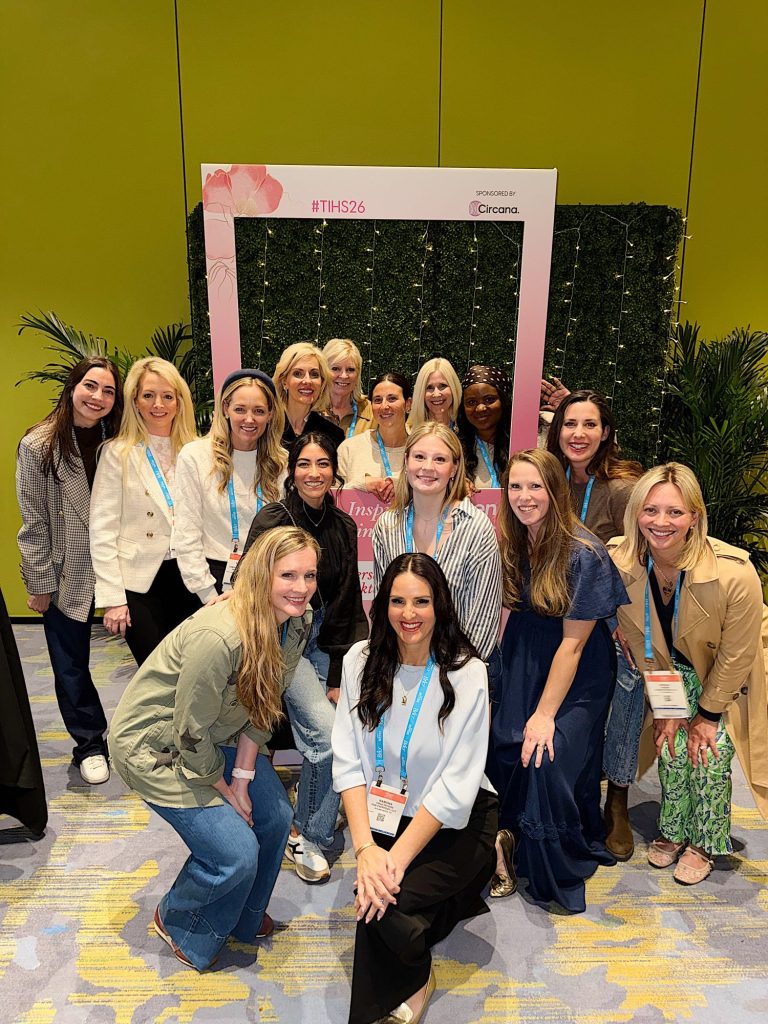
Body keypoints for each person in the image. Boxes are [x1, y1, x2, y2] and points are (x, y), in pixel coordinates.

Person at [110, 526, 318, 971]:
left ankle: (242, 916)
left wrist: (243, 780)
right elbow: (188, 731)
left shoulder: (297, 620)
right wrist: (224, 788)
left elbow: (266, 701)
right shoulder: (221, 635)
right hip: (158, 746)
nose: (301, 589)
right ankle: (180, 917)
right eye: (288, 576)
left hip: (217, 732)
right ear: (261, 575)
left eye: (309, 576)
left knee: (276, 815)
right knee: (235, 852)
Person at [332, 553, 497, 1024]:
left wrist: (391, 862)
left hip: (456, 818)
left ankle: (397, 993)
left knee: (379, 901)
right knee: (381, 899)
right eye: (398, 601)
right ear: (383, 604)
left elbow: (455, 789)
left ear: (440, 605)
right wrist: (365, 850)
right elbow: (347, 761)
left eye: (422, 601)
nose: (410, 614)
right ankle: (436, 934)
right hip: (387, 813)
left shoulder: (468, 673)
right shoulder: (357, 661)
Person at [607, 463, 768, 885]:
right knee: (672, 750)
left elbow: (737, 653)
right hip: (667, 674)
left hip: (727, 678)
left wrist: (708, 716)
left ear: (695, 516)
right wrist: (669, 709)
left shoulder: (734, 572)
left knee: (709, 755)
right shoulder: (620, 562)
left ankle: (705, 840)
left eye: (675, 512)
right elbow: (642, 649)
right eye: (651, 510)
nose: (661, 523)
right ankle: (674, 829)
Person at [486, 449, 629, 912]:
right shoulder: (513, 540)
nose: (525, 497)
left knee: (544, 752)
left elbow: (573, 645)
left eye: (536, 487)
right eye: (516, 487)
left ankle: (551, 859)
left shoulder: (584, 552)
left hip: (577, 667)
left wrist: (545, 714)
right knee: (501, 742)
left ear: (555, 489)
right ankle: (506, 840)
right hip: (526, 653)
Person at [237, 432, 368, 883]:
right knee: (328, 737)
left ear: (335, 471)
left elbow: (347, 601)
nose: (314, 473)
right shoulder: (273, 518)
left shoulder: (343, 525)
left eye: (324, 464)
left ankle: (312, 818)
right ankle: (308, 835)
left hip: (323, 639)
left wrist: (337, 672)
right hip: (278, 640)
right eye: (305, 463)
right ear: (291, 470)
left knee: (347, 728)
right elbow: (245, 584)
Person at [546, 389, 644, 859]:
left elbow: (643, 557)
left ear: (606, 433)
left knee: (628, 678)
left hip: (610, 617)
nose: (578, 434)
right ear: (556, 429)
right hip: (553, 609)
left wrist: (626, 621)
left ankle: (618, 795)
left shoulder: (624, 489)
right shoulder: (550, 479)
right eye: (570, 424)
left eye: (589, 425)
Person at [16, 356, 123, 786]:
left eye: (108, 391)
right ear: (72, 386)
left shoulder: (117, 441)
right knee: (70, 664)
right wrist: (39, 582)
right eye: (90, 386)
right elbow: (34, 521)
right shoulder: (39, 445)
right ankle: (90, 743)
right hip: (68, 570)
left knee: (155, 654)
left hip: (122, 567)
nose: (97, 397)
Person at [90, 357, 199, 665]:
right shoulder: (117, 453)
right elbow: (102, 530)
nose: (158, 404)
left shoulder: (196, 451)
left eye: (167, 396)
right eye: (148, 395)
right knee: (155, 675)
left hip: (191, 578)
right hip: (140, 584)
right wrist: (112, 600)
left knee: (194, 672)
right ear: (135, 401)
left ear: (179, 401)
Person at [373, 422, 502, 667]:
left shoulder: (476, 527)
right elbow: (385, 611)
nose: (428, 467)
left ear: (454, 468)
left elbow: (482, 625)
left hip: (462, 670)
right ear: (407, 462)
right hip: (403, 667)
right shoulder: (386, 526)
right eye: (419, 457)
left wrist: (443, 676)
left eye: (440, 459)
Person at [175, 369, 286, 602]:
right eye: (239, 409)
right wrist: (206, 593)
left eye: (258, 411)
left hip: (265, 577)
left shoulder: (281, 463)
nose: (249, 419)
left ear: (270, 414)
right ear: (225, 408)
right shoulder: (195, 456)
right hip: (210, 579)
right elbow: (187, 533)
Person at [337, 371, 412, 505]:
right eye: (377, 400)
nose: (384, 406)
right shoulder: (349, 448)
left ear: (408, 404)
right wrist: (360, 485)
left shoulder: (423, 449)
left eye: (392, 398)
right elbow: (333, 499)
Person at [273, 341, 345, 452]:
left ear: (322, 383)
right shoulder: (267, 426)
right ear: (284, 381)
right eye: (298, 374)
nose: (307, 381)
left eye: (314, 374)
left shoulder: (333, 435)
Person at [457, 365, 512, 488]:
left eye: (489, 400)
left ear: (504, 401)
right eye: (471, 402)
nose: (480, 408)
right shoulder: (454, 449)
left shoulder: (529, 438)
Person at [322, 338, 375, 437]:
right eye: (336, 369)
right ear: (324, 371)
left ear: (358, 374)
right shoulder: (311, 409)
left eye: (350, 370)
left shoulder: (373, 413)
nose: (343, 376)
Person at [408, 357, 462, 431]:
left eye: (443, 386)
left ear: (454, 389)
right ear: (421, 393)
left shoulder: (468, 431)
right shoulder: (409, 433)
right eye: (429, 387)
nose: (436, 394)